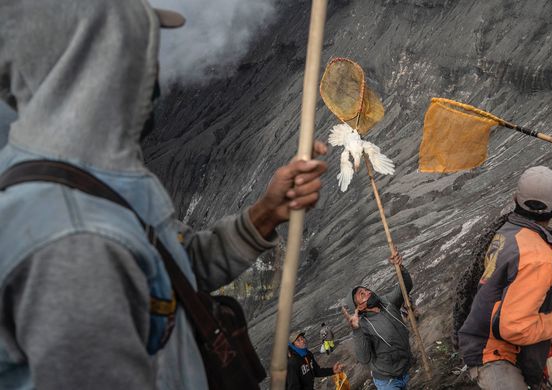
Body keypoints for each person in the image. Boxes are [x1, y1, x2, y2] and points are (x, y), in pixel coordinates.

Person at [0, 2, 328, 389]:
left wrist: (265, 214)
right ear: (103, 64)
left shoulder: (93, 178)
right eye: (143, 49)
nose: (156, 70)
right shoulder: (73, 241)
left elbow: (176, 270)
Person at [458, 166, 552, 390]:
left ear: (515, 199)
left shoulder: (507, 231)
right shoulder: (538, 256)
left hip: (478, 338)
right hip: (494, 354)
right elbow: (515, 328)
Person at [346, 251, 413, 390]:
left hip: (404, 371)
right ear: (359, 307)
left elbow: (405, 287)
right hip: (387, 381)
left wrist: (400, 269)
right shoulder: (363, 326)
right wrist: (356, 330)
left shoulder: (387, 302)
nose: (368, 292)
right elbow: (364, 358)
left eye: (366, 290)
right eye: (362, 295)